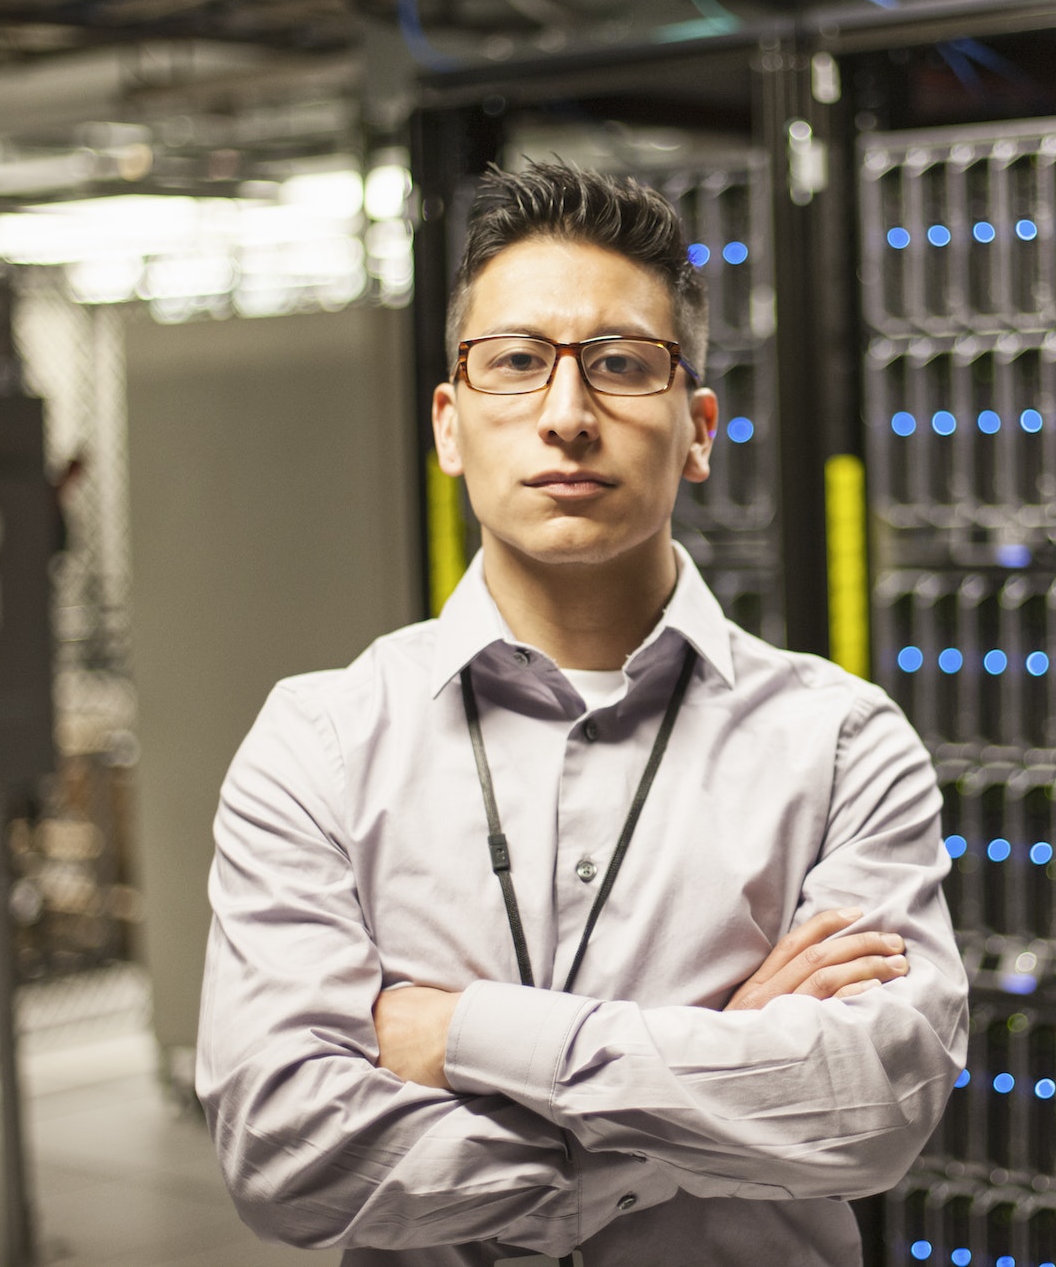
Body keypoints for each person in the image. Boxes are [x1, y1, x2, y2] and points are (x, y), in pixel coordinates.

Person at [195, 162, 966, 1266]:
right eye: (515, 363)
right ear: (451, 426)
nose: (565, 415)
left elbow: (873, 1108)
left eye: (618, 365)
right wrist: (724, 1068)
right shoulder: (319, 743)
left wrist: (462, 1035)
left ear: (697, 428)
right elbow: (288, 1156)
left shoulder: (839, 742)